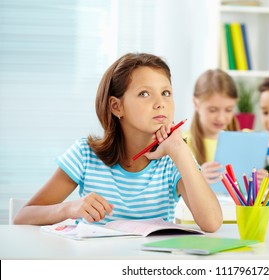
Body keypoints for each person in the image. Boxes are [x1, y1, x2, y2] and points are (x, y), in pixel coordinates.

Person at [14, 53, 222, 232]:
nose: (160, 104)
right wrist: (70, 209)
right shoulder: (85, 154)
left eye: (166, 93)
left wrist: (179, 149)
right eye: (144, 94)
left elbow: (211, 223)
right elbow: (23, 217)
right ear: (116, 106)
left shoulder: (174, 159)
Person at [185, 69, 240, 184]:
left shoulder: (244, 141)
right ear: (196, 103)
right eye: (213, 110)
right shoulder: (182, 143)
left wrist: (259, 180)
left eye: (229, 110)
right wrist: (197, 178)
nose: (221, 118)